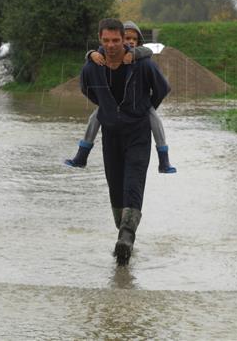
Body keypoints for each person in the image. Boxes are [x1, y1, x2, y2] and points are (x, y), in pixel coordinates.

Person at [78, 18, 171, 265]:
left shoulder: (143, 65)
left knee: (133, 183)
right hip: (111, 135)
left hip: (138, 133)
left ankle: (127, 237)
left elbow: (162, 88)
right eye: (106, 41)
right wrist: (108, 109)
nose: (111, 45)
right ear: (100, 40)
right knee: (115, 187)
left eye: (116, 40)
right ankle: (124, 233)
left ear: (124, 40)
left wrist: (141, 108)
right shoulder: (92, 68)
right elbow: (86, 90)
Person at [64, 20, 176, 174]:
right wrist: (91, 54)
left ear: (138, 41)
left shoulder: (142, 58)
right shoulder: (104, 56)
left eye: (134, 39)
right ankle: (81, 156)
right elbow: (88, 83)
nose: (130, 42)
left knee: (155, 120)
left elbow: (148, 53)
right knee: (93, 119)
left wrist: (146, 106)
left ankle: (164, 160)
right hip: (111, 107)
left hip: (139, 106)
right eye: (127, 38)